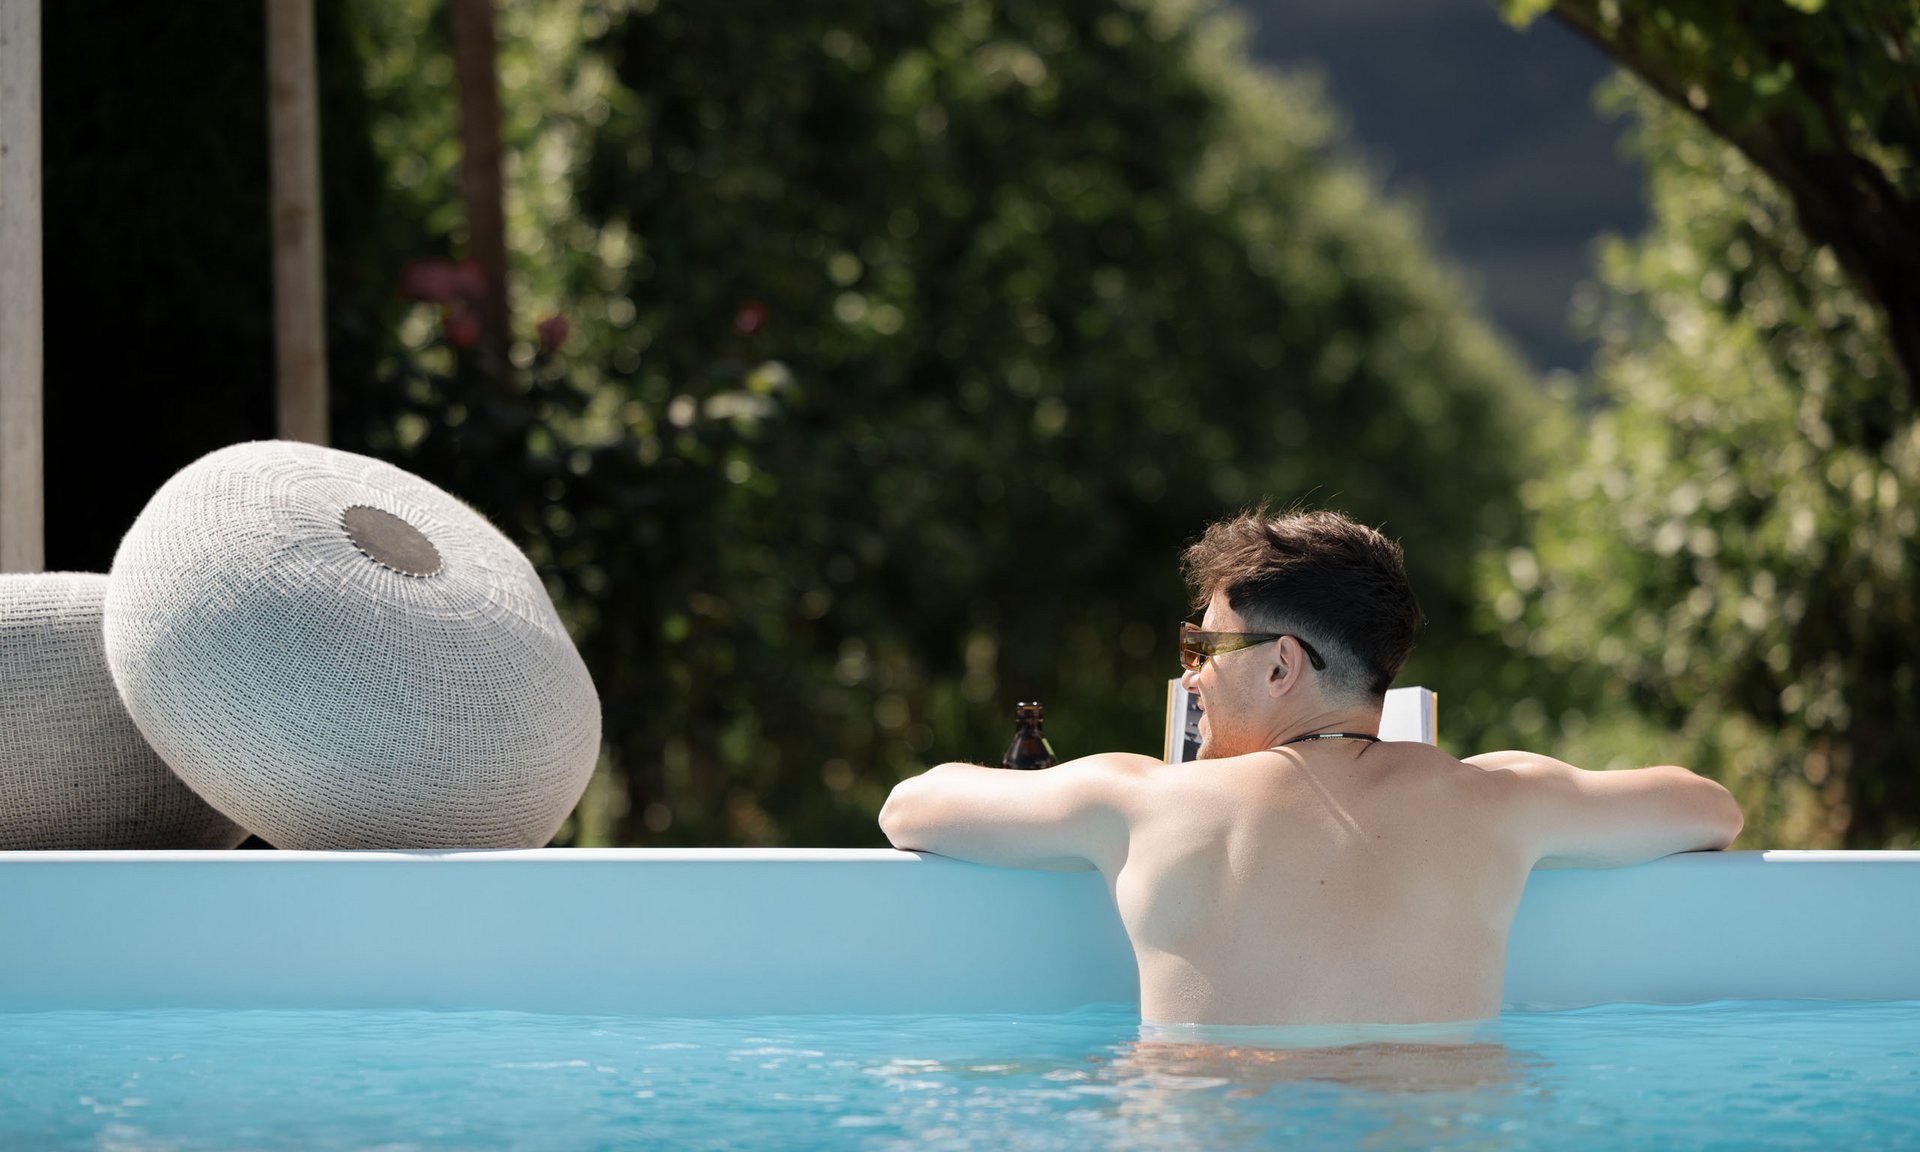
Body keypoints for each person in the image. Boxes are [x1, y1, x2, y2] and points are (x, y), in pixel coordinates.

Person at [878, 507, 1743, 1026]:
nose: (1191, 672)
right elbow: (1711, 811)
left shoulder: (1142, 800)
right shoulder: (1502, 797)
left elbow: (911, 808)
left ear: (1282, 665)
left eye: (1204, 645)